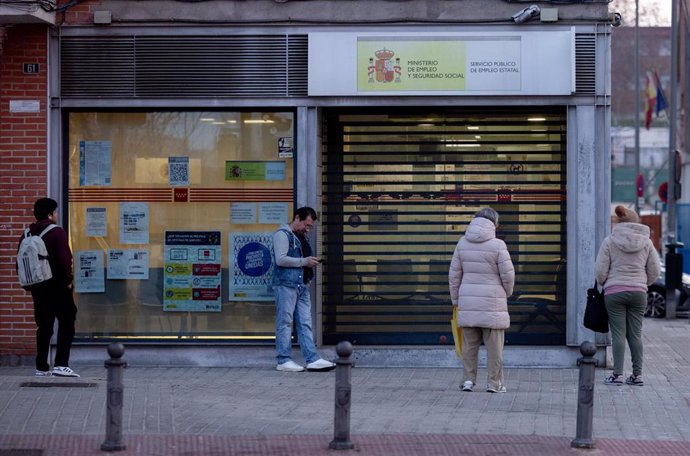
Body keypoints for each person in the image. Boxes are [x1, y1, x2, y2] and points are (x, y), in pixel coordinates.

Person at [448, 207, 514, 393]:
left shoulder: (462, 243)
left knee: (469, 346)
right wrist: (506, 293)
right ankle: (494, 383)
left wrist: (456, 300)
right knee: (495, 348)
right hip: (493, 303)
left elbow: (454, 276)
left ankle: (468, 381)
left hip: (468, 302)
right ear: (494, 223)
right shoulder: (498, 245)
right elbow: (508, 275)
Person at [595, 205, 660, 386]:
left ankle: (618, 375)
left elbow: (600, 271)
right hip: (639, 293)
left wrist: (606, 282)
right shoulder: (647, 243)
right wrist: (642, 284)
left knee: (618, 334)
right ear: (636, 222)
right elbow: (655, 270)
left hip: (614, 292)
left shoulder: (610, 241)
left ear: (620, 222)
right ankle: (637, 375)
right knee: (635, 334)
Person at [18, 198, 79, 377]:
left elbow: (20, 262)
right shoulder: (57, 232)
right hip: (58, 286)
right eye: (56, 211)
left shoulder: (27, 234)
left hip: (38, 287)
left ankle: (42, 367)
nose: (57, 215)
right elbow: (65, 260)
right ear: (50, 213)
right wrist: (68, 280)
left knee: (44, 327)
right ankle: (61, 364)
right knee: (67, 321)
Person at [272, 207, 335, 372]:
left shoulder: (299, 236)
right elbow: (280, 259)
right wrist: (305, 261)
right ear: (297, 218)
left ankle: (312, 359)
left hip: (301, 285)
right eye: (306, 225)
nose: (307, 229)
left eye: (310, 226)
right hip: (286, 285)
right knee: (285, 322)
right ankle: (283, 360)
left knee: (305, 323)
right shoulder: (282, 234)